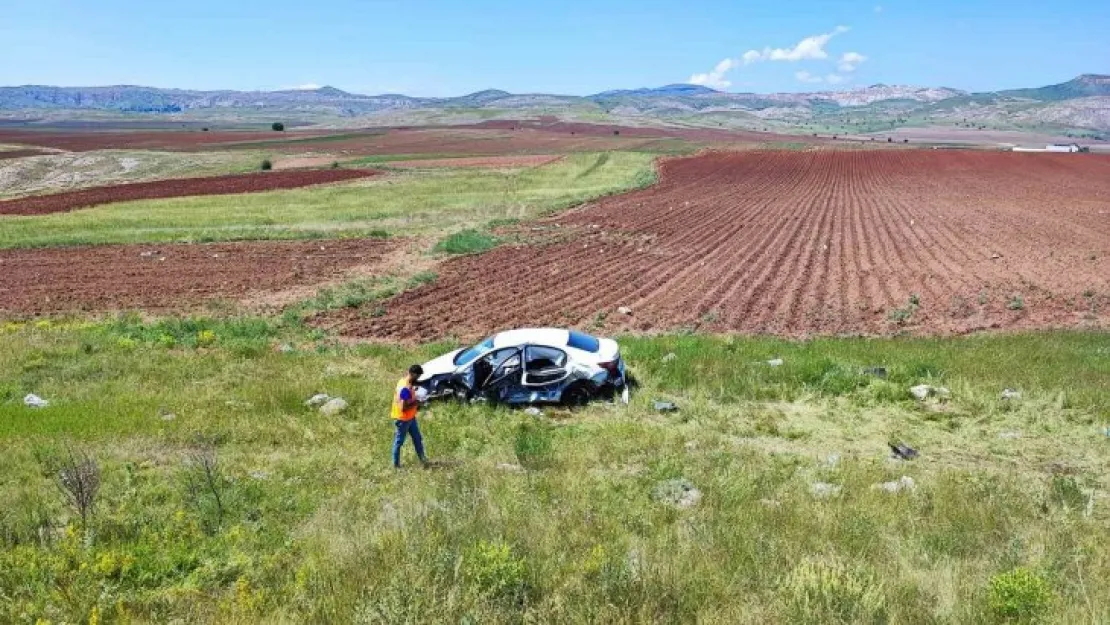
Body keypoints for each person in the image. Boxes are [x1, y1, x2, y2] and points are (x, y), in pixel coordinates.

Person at [392, 364, 428, 468]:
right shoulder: (405, 387)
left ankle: (423, 459)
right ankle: (396, 466)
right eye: (417, 376)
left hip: (410, 418)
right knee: (399, 442)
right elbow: (403, 407)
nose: (418, 378)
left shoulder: (405, 382)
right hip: (403, 419)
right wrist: (417, 403)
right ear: (412, 374)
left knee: (417, 438)